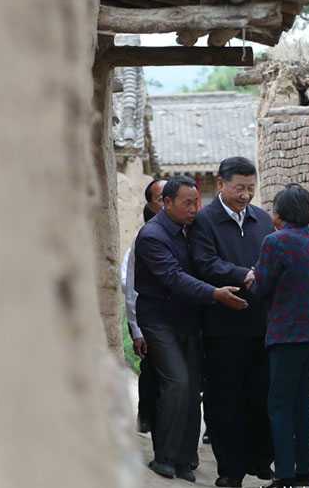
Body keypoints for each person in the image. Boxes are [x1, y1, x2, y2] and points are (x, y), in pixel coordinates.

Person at [134, 176, 249, 483]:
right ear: (166, 203)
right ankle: (165, 458)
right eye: (186, 203)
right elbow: (173, 277)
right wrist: (215, 294)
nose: (193, 209)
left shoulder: (191, 230)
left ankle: (186, 460)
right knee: (177, 382)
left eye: (196, 202)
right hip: (159, 320)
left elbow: (204, 264)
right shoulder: (152, 236)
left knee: (193, 387)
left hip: (188, 320)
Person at [189, 157, 275, 488]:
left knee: (260, 395)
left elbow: (271, 259)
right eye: (239, 188)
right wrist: (245, 274)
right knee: (225, 399)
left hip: (261, 325)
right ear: (221, 184)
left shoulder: (262, 220)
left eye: (251, 188)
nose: (245, 195)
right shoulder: (205, 222)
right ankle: (230, 469)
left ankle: (259, 459)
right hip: (222, 329)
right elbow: (205, 263)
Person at [249, 184, 309, 488]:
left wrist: (252, 276)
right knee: (301, 403)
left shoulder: (276, 242)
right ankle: (305, 471)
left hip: (288, 334)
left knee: (279, 405)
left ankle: (285, 475)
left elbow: (260, 288)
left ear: (281, 213)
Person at [123, 178, 167, 433]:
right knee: (152, 370)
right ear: (152, 206)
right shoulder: (145, 239)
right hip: (151, 320)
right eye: (163, 197)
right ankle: (148, 416)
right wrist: (136, 328)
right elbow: (129, 284)